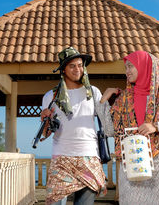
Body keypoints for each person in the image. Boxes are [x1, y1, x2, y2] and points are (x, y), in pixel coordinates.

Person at [96, 50, 159, 205]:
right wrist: (103, 102)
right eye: (126, 67)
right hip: (134, 169)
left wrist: (156, 127)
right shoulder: (124, 99)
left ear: (145, 66)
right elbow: (110, 131)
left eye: (131, 66)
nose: (127, 71)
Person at [40, 47, 106, 205]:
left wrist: (107, 98)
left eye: (80, 65)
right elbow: (45, 134)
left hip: (89, 158)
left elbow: (108, 124)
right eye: (72, 66)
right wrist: (45, 119)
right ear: (63, 70)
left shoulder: (93, 92)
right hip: (61, 158)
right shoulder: (51, 97)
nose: (78, 69)